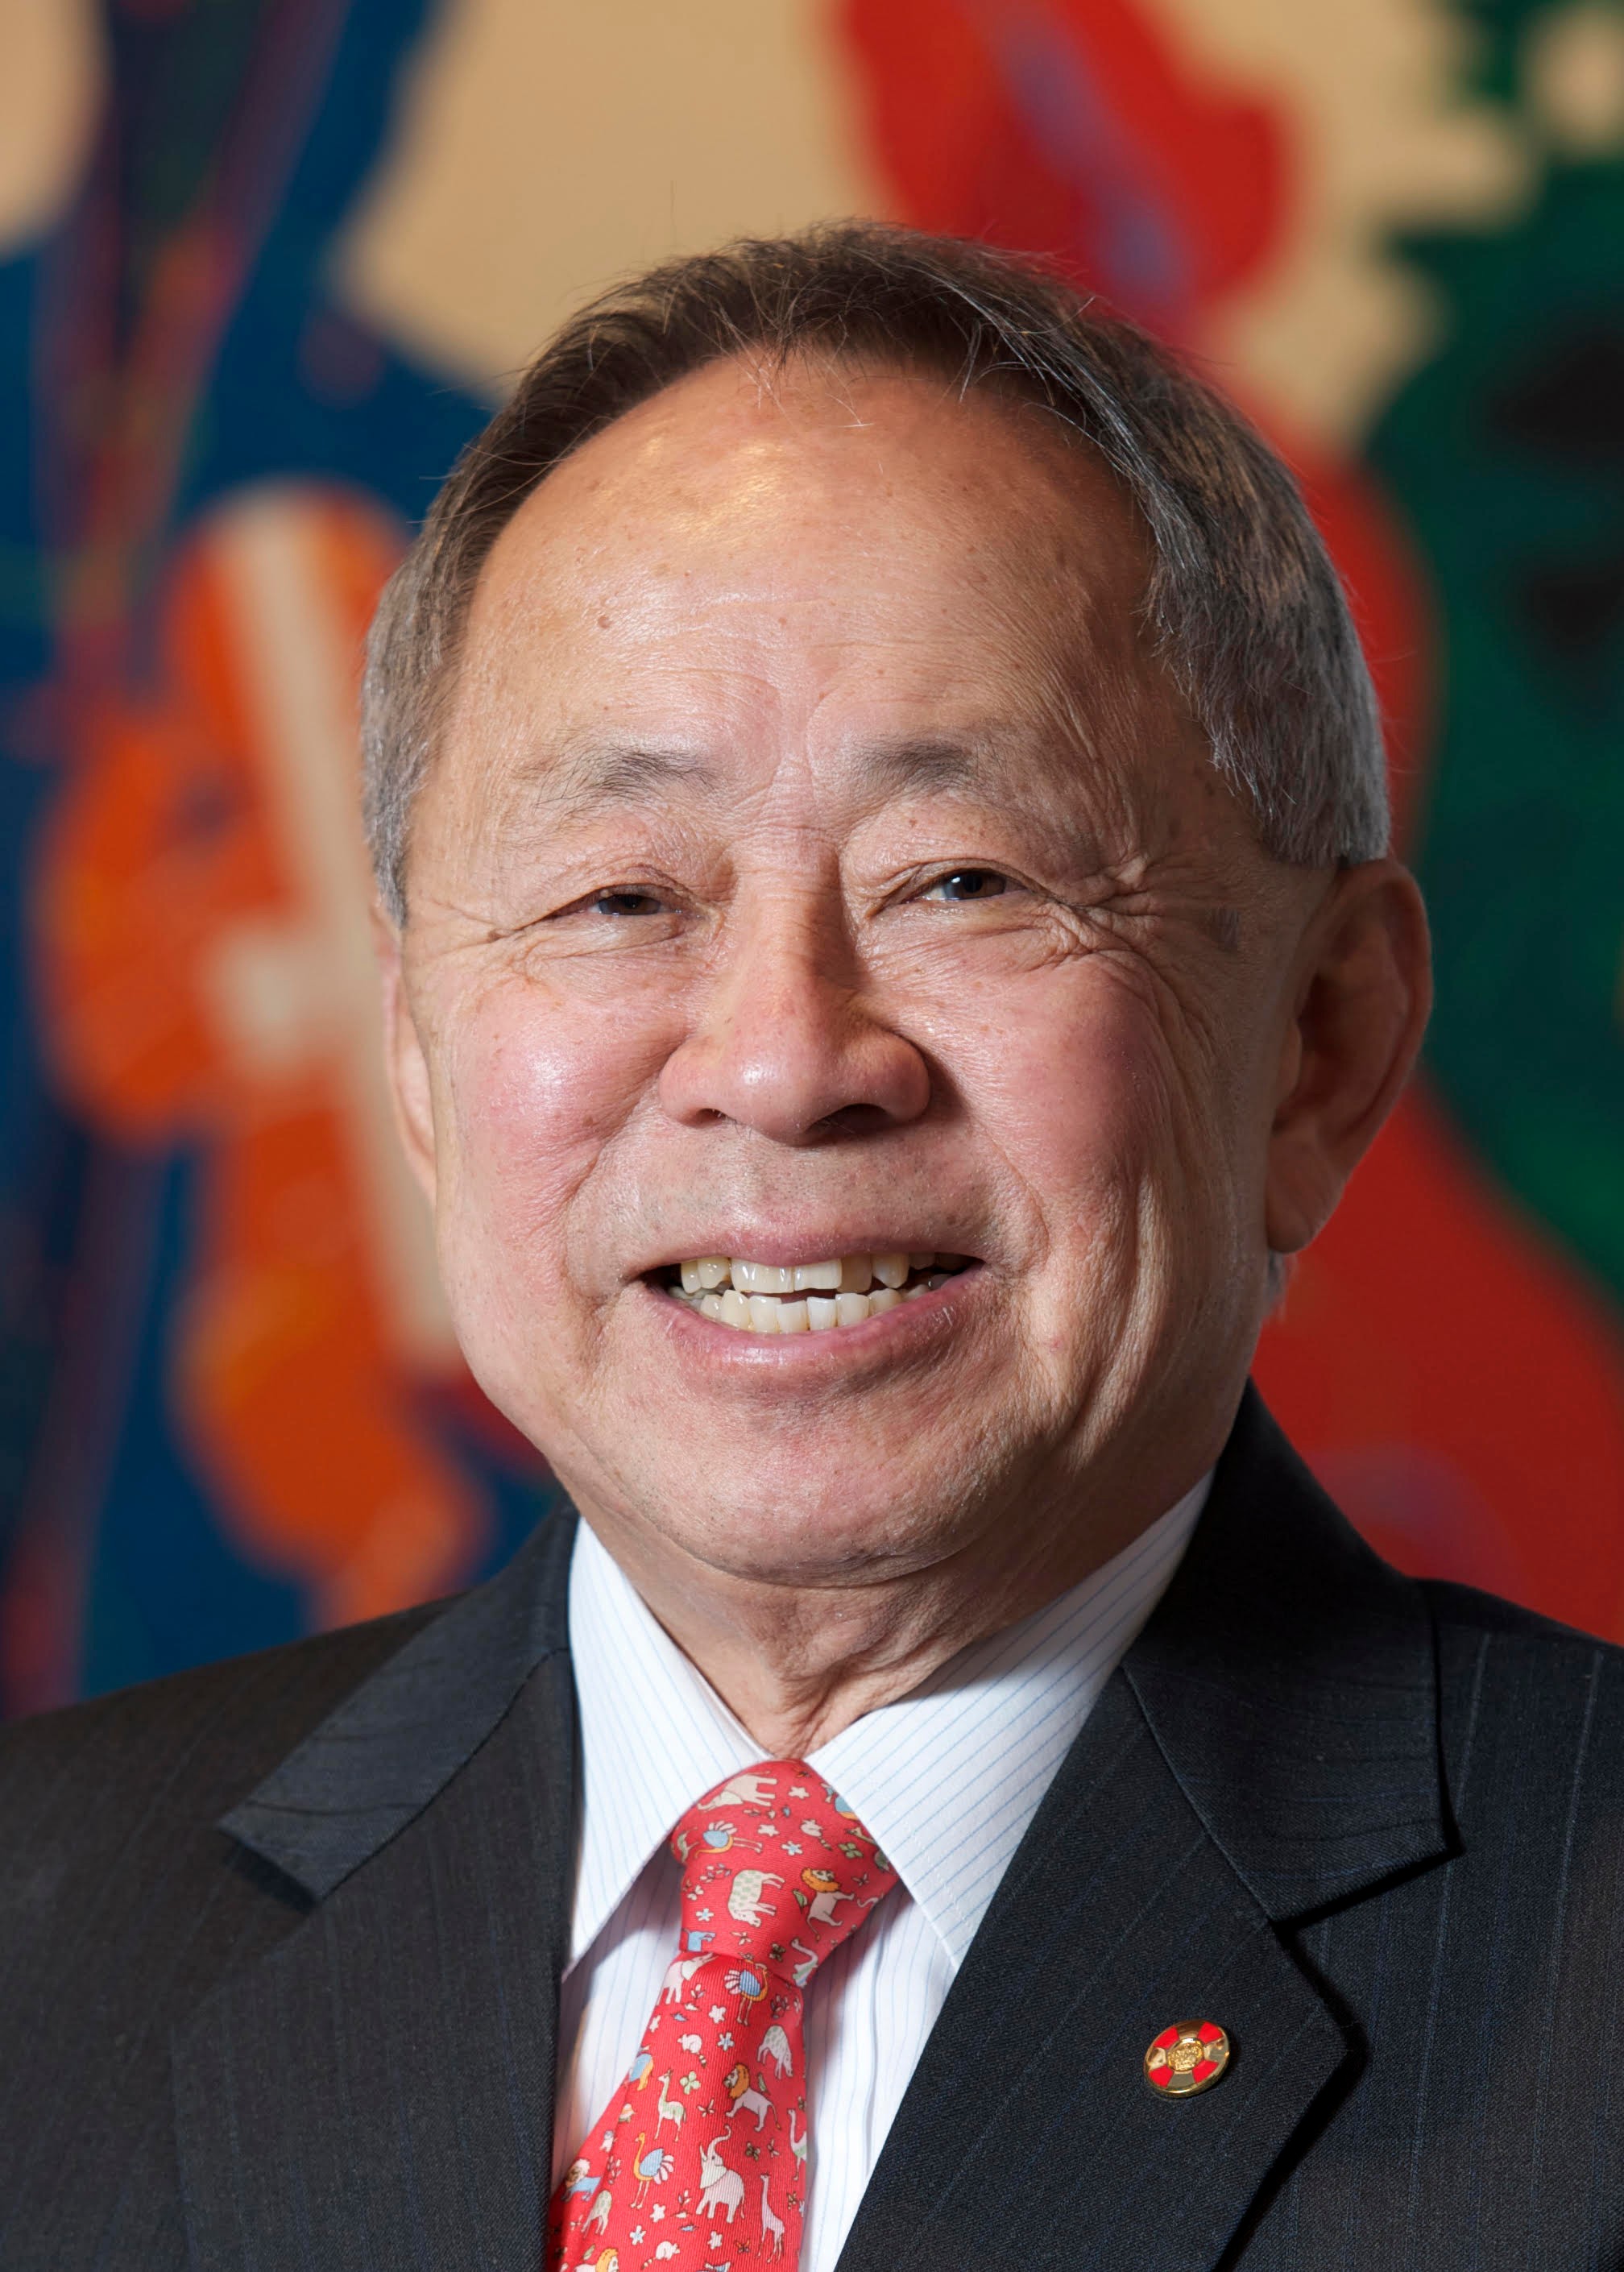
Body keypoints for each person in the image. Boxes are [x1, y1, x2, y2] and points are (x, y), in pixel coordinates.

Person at [2, 221, 1620, 2272]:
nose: (782, 1061)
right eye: (617, 898)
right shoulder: (36, 1951)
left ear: (1321, 1041)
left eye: (964, 876)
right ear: (416, 1055)